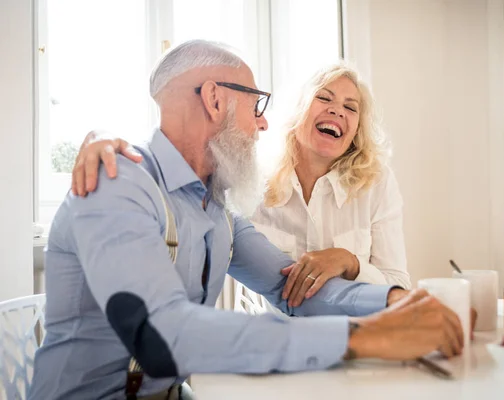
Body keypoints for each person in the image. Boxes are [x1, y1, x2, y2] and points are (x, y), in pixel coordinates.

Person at [29, 40, 464, 400]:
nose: (263, 123)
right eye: (256, 104)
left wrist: (392, 303)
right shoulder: (116, 183)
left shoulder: (217, 213)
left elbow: (290, 288)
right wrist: (361, 338)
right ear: (215, 99)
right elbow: (164, 337)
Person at [73, 62, 410, 311]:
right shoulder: (243, 180)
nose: (337, 110)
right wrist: (100, 138)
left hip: (351, 340)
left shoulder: (376, 185)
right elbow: (176, 158)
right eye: (325, 98)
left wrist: (361, 271)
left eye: (351, 108)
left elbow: (287, 287)